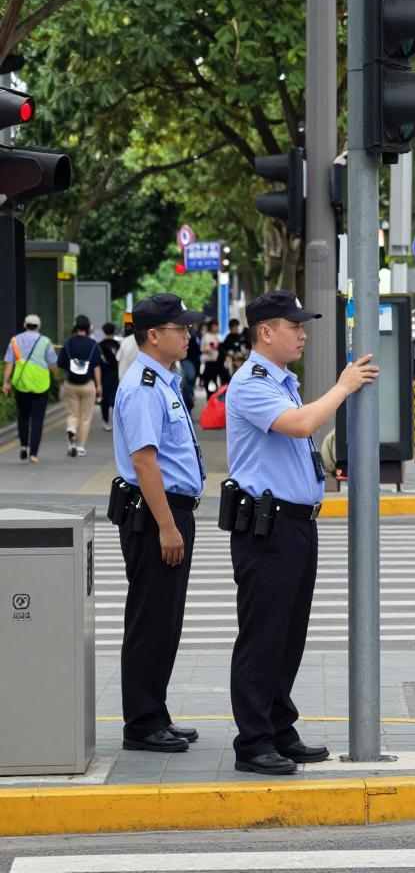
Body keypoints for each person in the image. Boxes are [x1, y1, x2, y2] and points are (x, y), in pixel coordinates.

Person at [225, 290, 378, 775]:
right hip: (265, 528)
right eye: (294, 325)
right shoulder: (251, 382)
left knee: (289, 635)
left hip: (293, 524)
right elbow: (299, 424)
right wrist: (344, 386)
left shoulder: (283, 380)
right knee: (264, 634)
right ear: (266, 331)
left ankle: (278, 726)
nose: (303, 333)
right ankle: (253, 740)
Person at [113, 293, 206, 754]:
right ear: (154, 335)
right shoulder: (144, 385)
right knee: (151, 619)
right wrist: (167, 526)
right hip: (156, 514)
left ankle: (156, 712)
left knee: (165, 620)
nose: (187, 335)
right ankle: (142, 723)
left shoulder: (163, 380)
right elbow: (145, 462)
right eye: (180, 329)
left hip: (168, 510)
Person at [2, 314, 58, 463]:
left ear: (25, 325)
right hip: (41, 385)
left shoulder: (15, 340)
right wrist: (58, 378)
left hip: (21, 384)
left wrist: (5, 382)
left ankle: (23, 447)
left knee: (23, 416)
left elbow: (9, 363)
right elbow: (53, 363)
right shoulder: (46, 341)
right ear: (39, 326)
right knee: (37, 419)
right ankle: (33, 453)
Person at [58, 315, 103, 457]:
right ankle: (80, 447)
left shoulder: (68, 343)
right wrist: (99, 385)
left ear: (75, 327)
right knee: (85, 417)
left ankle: (71, 429)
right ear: (88, 328)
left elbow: (61, 364)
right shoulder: (93, 345)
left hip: (70, 384)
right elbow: (96, 366)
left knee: (72, 414)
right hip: (87, 385)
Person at [98, 323, 121, 431]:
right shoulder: (117, 344)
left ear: (103, 331)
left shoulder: (100, 345)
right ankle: (116, 421)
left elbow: (98, 361)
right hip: (116, 374)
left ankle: (105, 421)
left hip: (104, 374)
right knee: (115, 398)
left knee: (105, 399)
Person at [180, 328, 201, 412]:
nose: (187, 336)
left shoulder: (194, 335)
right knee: (187, 384)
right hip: (188, 361)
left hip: (192, 361)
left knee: (188, 385)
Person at [200, 320, 221, 395]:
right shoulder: (206, 336)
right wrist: (208, 349)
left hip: (216, 362)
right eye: (214, 326)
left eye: (216, 326)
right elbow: (202, 349)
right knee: (208, 382)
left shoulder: (218, 336)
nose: (216, 328)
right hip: (208, 362)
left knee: (215, 382)